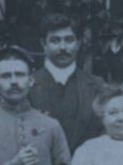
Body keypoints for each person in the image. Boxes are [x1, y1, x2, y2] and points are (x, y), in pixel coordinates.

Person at [29, 13, 105, 153]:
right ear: (43, 44)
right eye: (55, 41)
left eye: (69, 40)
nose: (63, 47)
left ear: (79, 43)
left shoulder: (97, 86)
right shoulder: (28, 86)